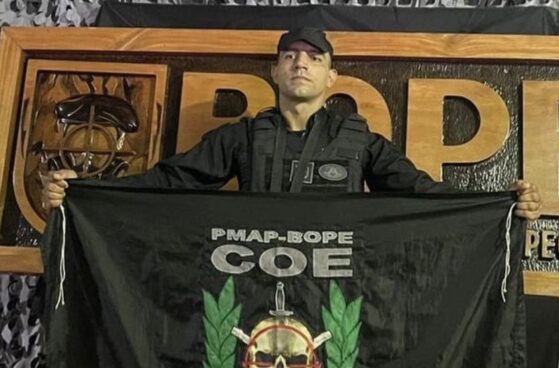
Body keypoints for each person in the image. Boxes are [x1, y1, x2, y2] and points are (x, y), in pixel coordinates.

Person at [42, 27, 542, 219]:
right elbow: (167, 182)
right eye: (290, 56)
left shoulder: (360, 142)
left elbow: (422, 192)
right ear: (275, 72)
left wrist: (501, 203)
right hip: (254, 286)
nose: (301, 63)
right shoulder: (241, 137)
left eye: (314, 57)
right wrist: (81, 191)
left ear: (331, 77)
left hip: (337, 291)